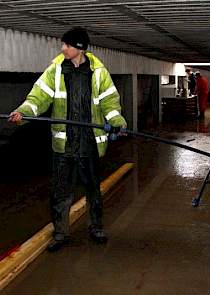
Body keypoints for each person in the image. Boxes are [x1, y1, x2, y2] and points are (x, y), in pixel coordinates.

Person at [8, 27, 127, 252]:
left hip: (89, 143)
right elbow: (39, 96)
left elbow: (109, 102)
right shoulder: (55, 70)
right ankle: (61, 233)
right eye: (63, 44)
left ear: (79, 48)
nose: (63, 48)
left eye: (67, 45)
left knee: (93, 189)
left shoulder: (98, 72)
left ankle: (96, 228)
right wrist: (23, 112)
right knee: (61, 191)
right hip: (64, 145)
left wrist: (117, 121)